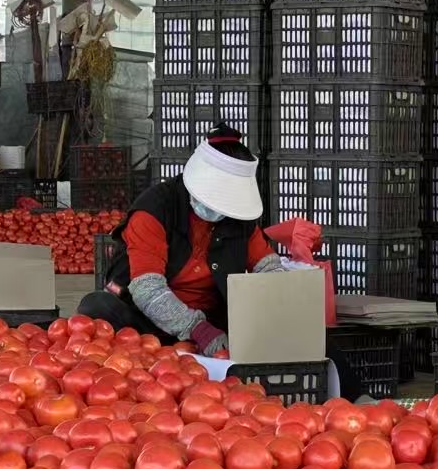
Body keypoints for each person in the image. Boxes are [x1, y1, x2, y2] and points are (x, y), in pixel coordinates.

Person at [79, 125, 303, 354]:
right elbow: (148, 289)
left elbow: (268, 268)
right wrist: (196, 328)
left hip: (213, 321)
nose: (216, 208)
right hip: (145, 319)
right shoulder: (155, 209)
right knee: (97, 307)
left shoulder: (239, 220)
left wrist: (281, 303)